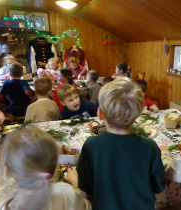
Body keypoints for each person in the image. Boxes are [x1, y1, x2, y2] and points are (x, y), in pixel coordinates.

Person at [70, 77, 166, 209]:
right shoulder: (150, 147)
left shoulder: (92, 145)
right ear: (138, 114)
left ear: (100, 114)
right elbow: (159, 186)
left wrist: (75, 181)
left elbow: (85, 186)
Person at [0, 126, 91, 210]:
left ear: (6, 171)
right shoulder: (66, 192)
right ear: (54, 165)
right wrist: (76, 186)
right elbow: (86, 206)